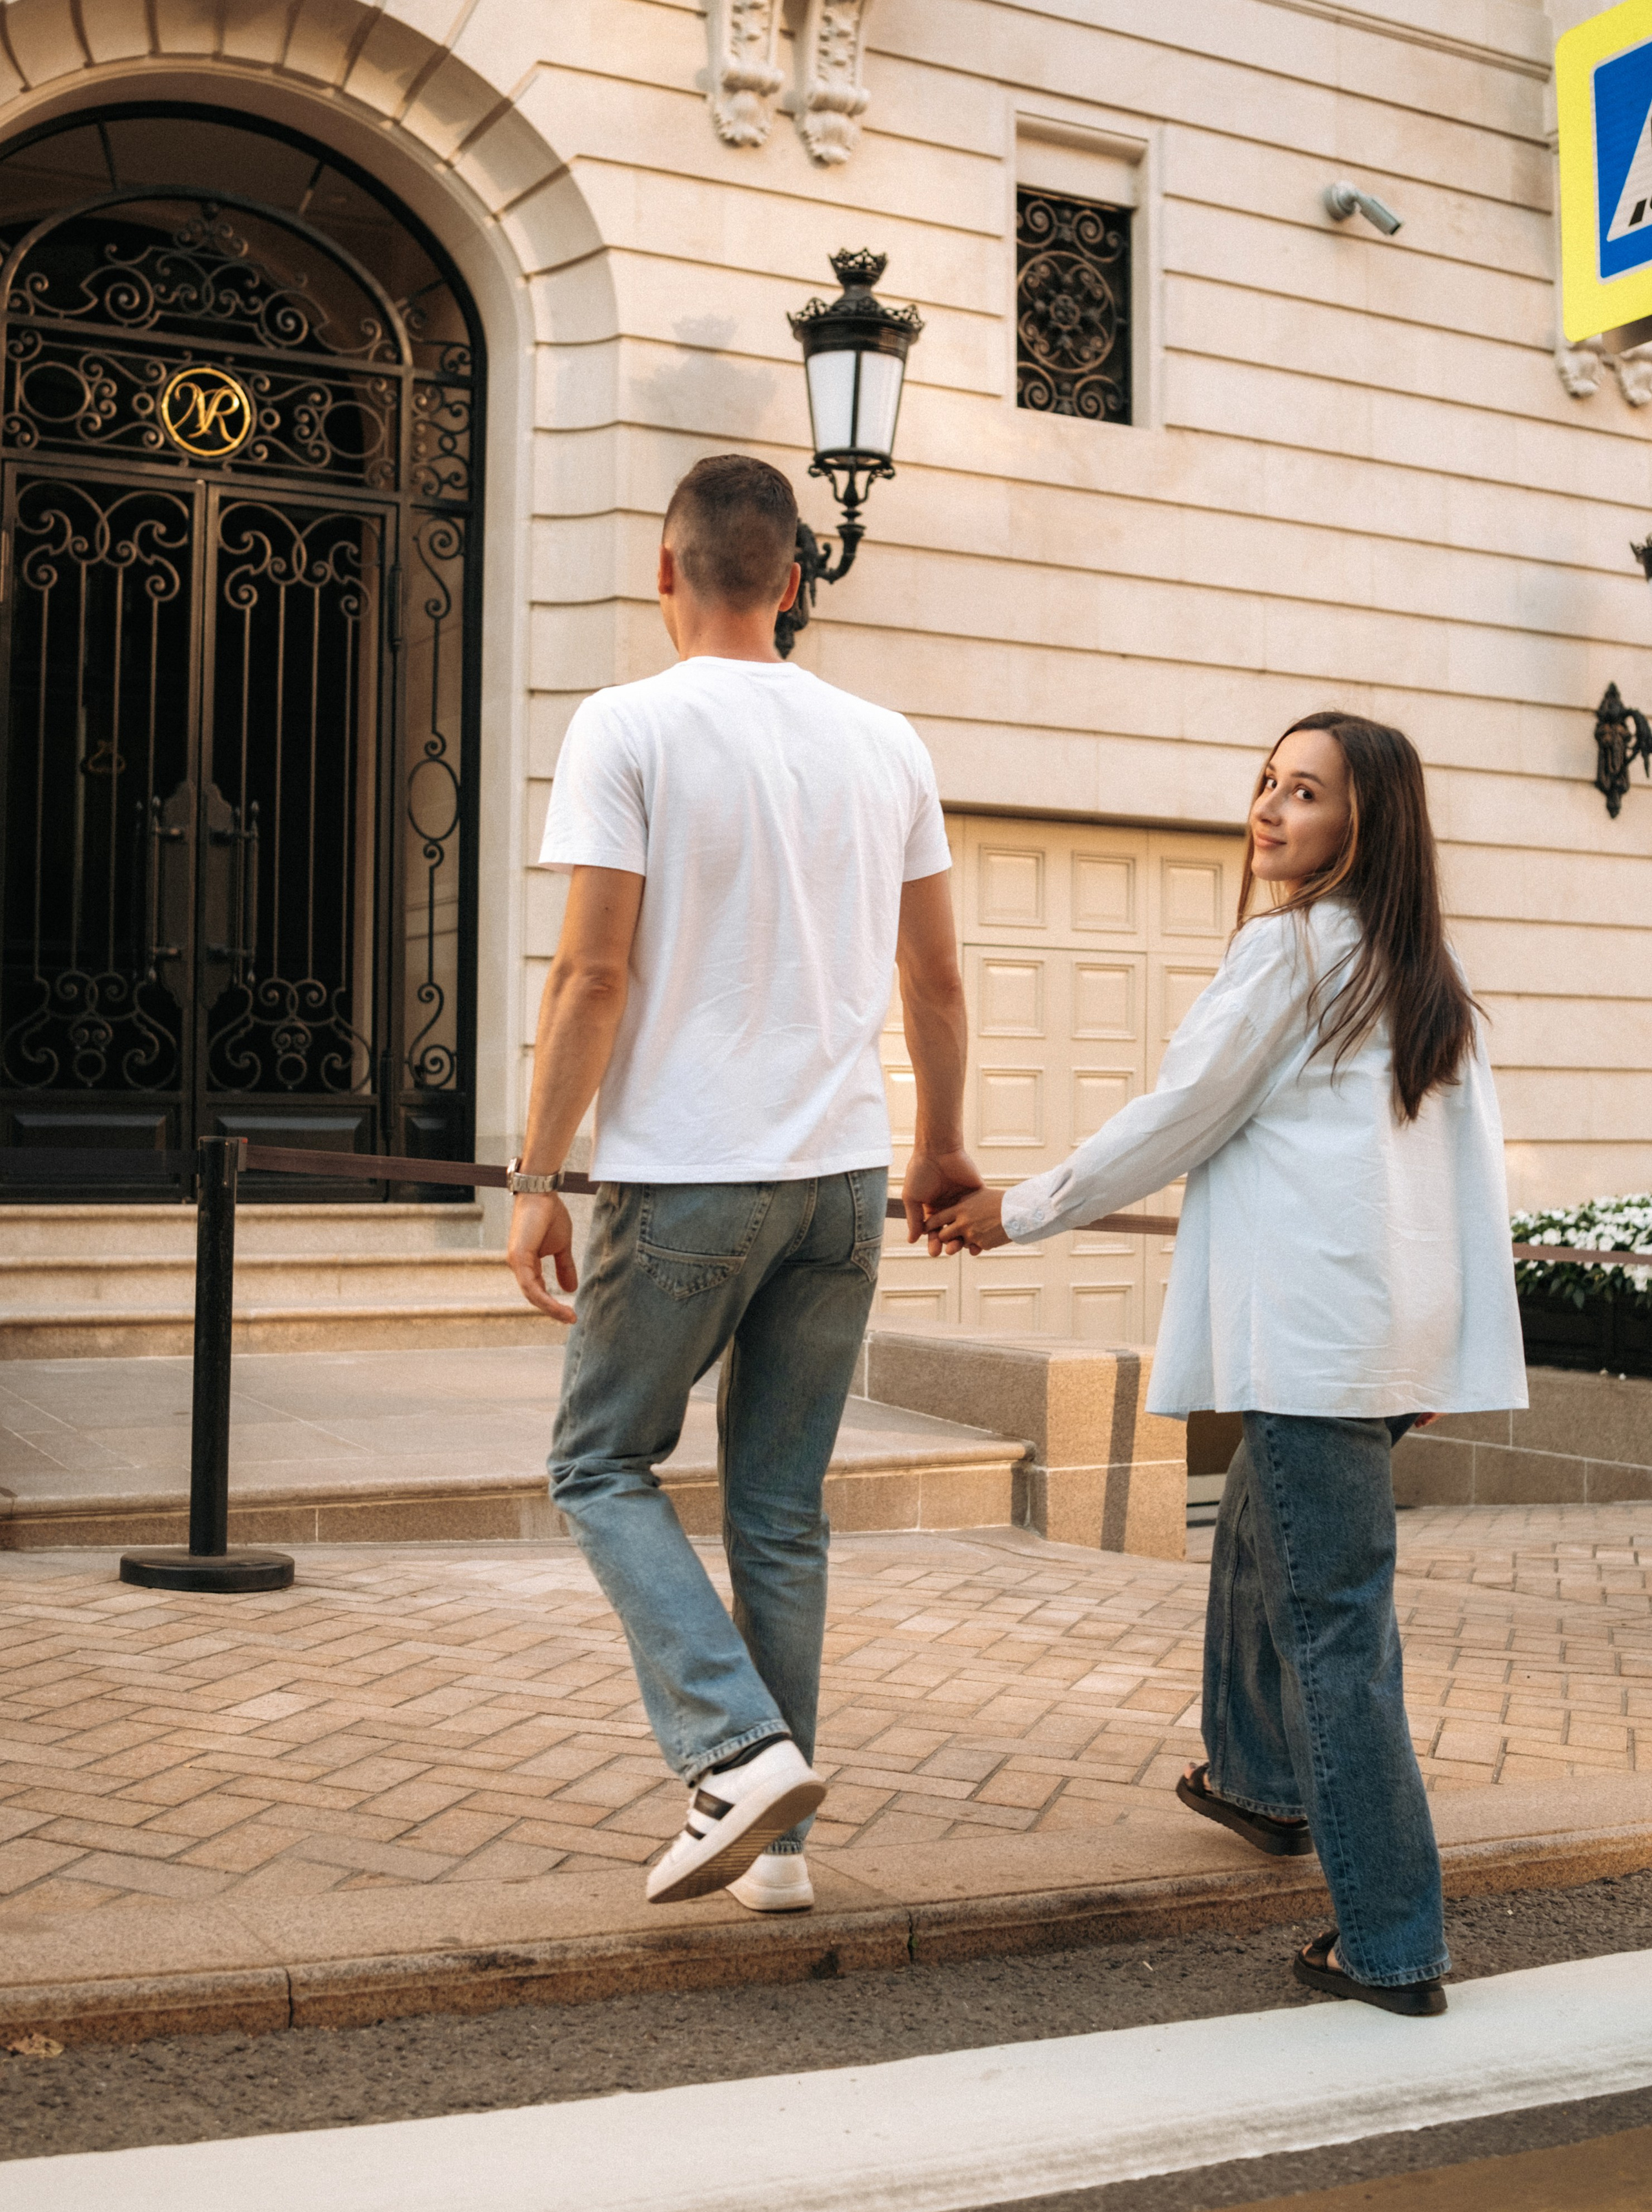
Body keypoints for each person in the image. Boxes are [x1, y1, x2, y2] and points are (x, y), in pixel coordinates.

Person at [925, 711, 1527, 2016]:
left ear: (1361, 826)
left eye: (1302, 794)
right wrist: (1444, 1344)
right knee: (1263, 1532)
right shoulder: (1420, 973)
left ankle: (1390, 1940)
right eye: (1264, 784)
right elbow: (1463, 1181)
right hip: (1377, 1343)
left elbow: (1179, 1117)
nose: (1265, 809)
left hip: (1314, 1350)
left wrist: (1014, 1208)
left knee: (1334, 1626)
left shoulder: (1294, 952)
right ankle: (1255, 1777)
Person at [505, 454, 980, 1911]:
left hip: (689, 1174)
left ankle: (734, 1749)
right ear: (792, 579)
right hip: (838, 1180)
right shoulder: (885, 739)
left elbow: (594, 972)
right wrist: (939, 1147)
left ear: (663, 571)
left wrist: (535, 1175)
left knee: (597, 1462)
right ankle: (778, 1849)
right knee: (779, 1509)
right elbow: (936, 979)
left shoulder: (627, 725)